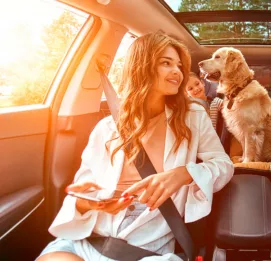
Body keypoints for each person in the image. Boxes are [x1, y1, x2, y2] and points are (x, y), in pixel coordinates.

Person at [37, 33, 234, 261]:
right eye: (166, 63)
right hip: (89, 238)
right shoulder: (107, 127)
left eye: (179, 65)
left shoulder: (193, 117)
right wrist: (89, 202)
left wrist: (185, 174)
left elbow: (224, 165)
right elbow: (83, 192)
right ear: (141, 66)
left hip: (149, 247)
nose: (177, 72)